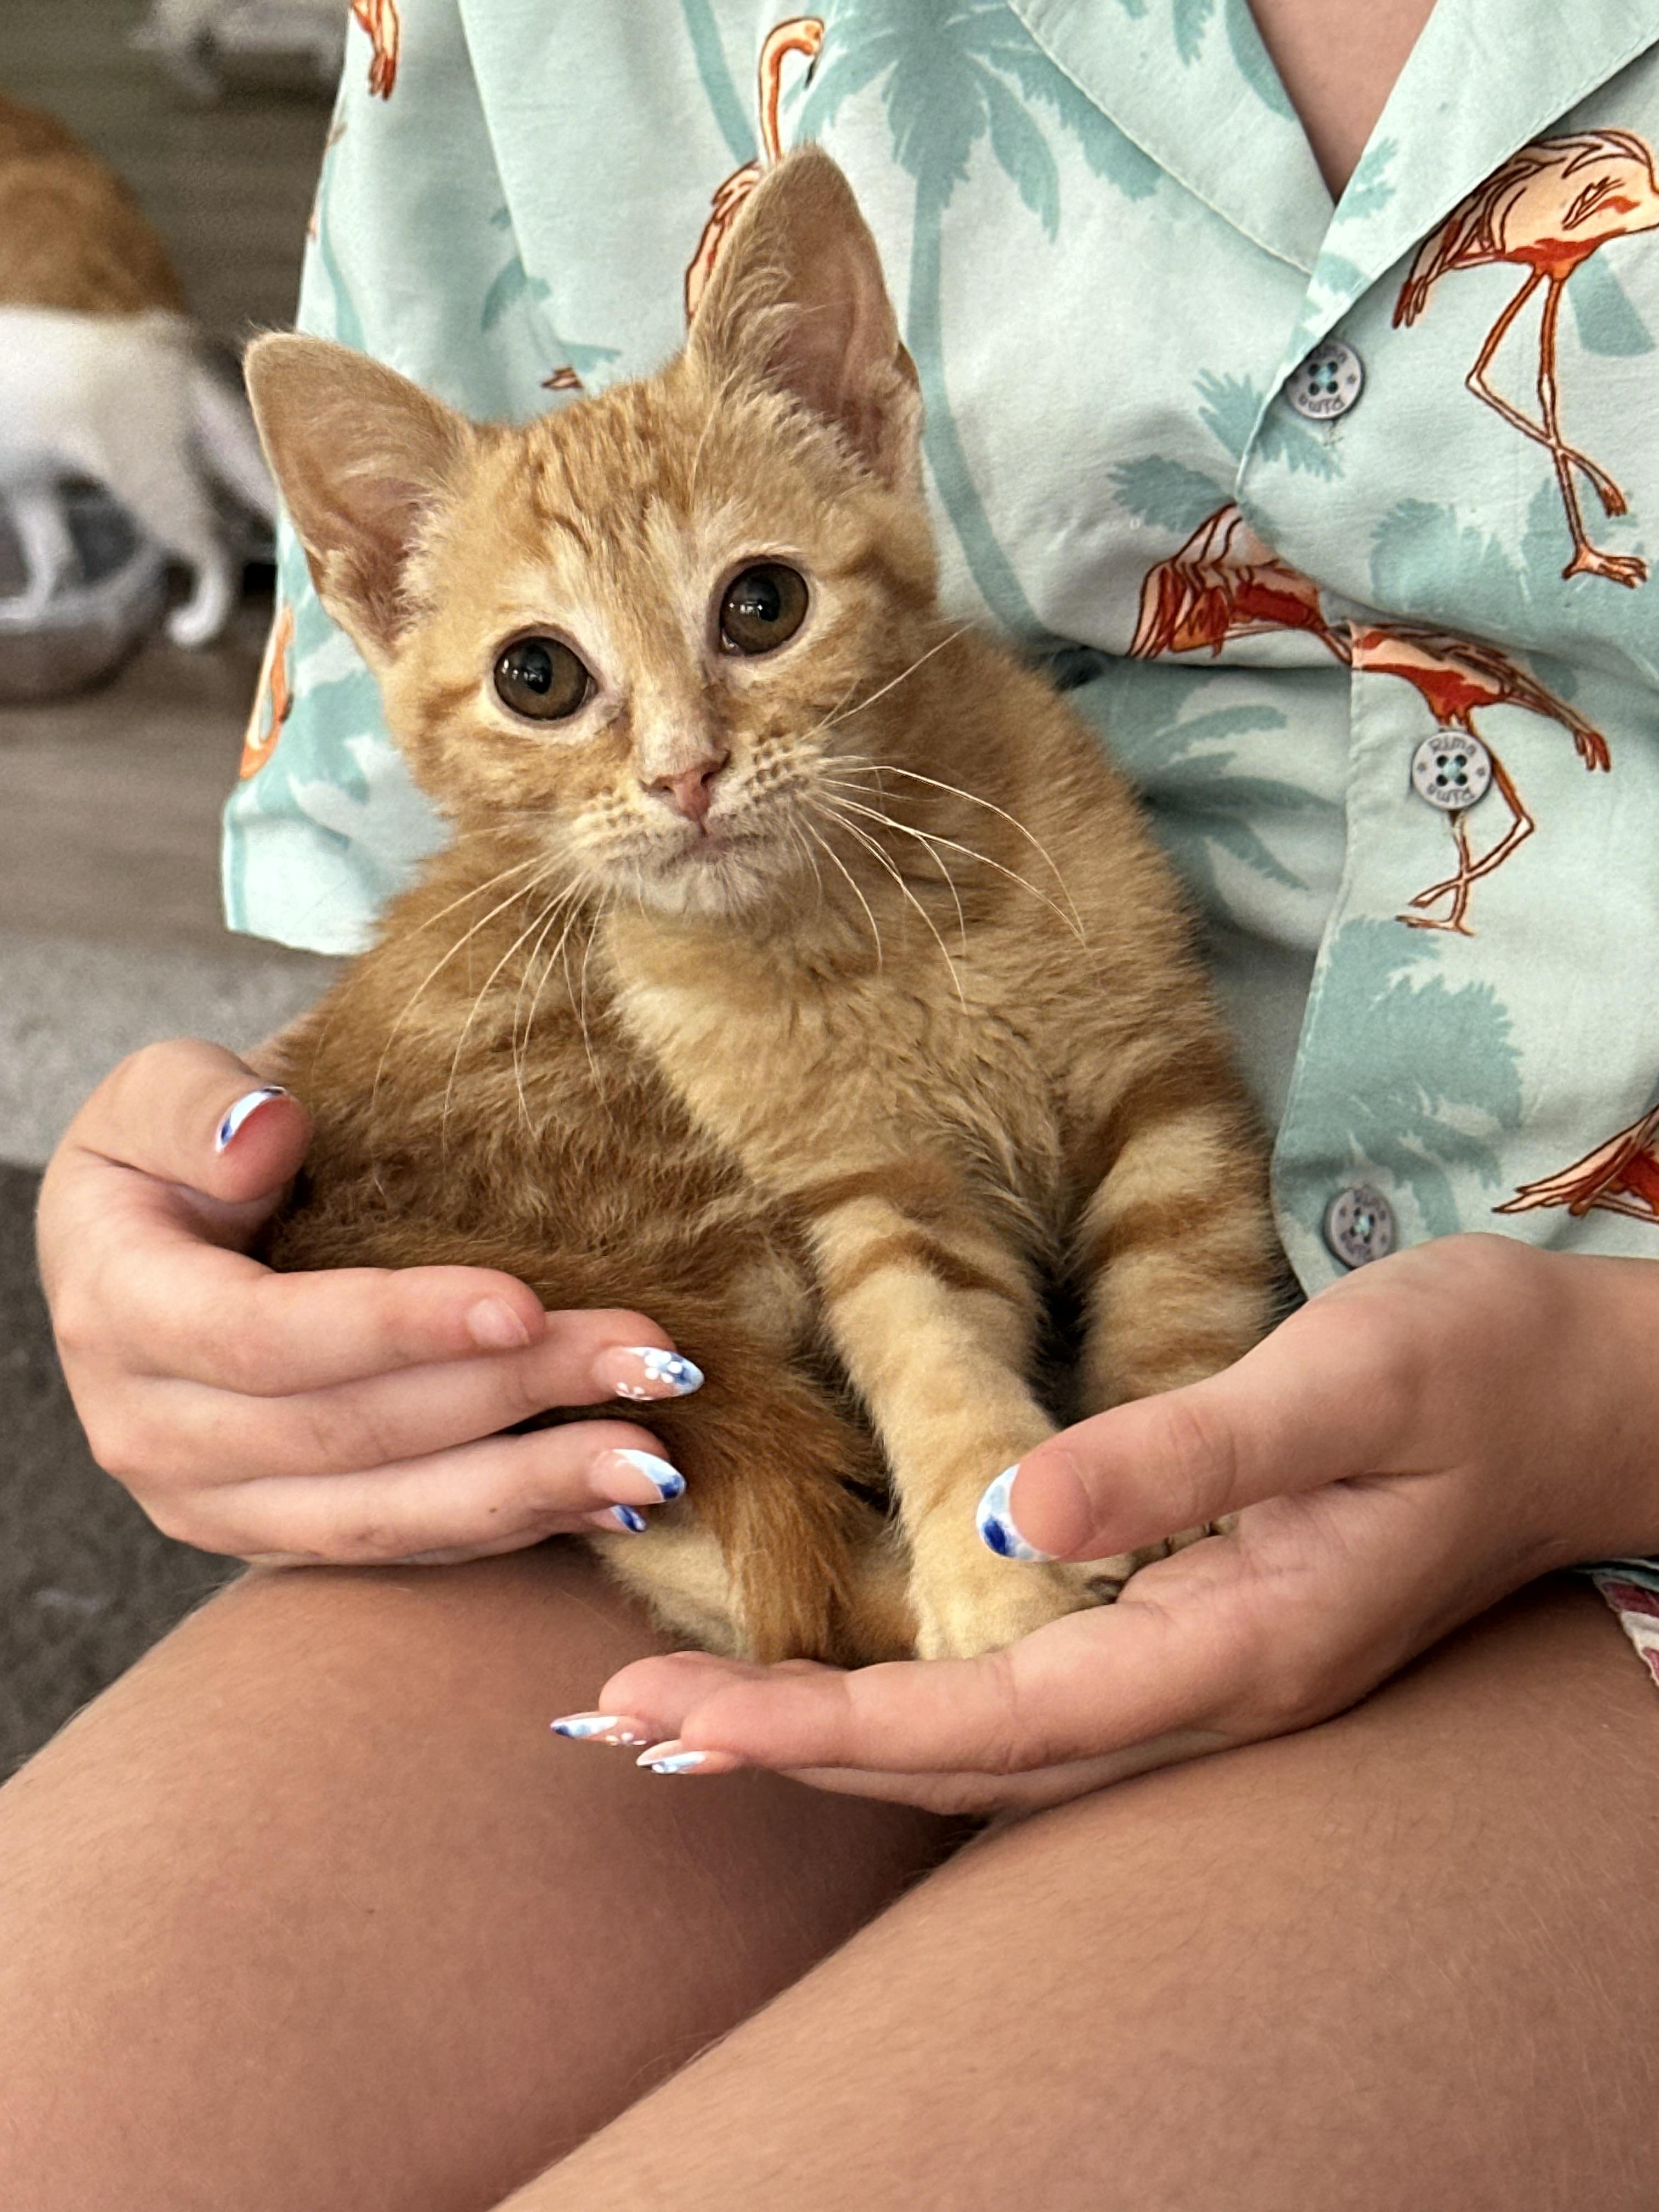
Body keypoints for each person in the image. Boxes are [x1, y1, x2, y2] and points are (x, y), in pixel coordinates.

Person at [8, 2, 1659, 2203]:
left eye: (751, 617)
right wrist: (251, 1232)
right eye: (559, 679)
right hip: (857, 1224)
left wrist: (1622, 1398)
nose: (678, 750)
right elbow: (456, 813)